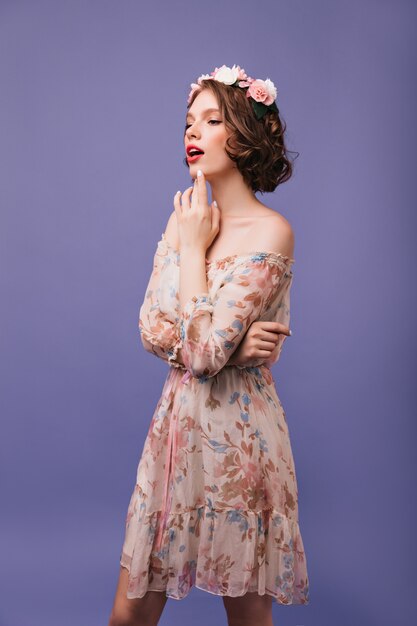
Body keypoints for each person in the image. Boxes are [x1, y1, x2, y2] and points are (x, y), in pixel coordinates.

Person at [108, 64, 310, 626]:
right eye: (188, 121)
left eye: (212, 119)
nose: (192, 132)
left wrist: (194, 254)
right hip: (176, 432)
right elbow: (152, 327)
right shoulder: (185, 220)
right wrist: (232, 346)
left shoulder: (272, 232)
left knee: (247, 617)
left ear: (242, 132)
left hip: (241, 441)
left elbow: (199, 354)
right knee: (128, 616)